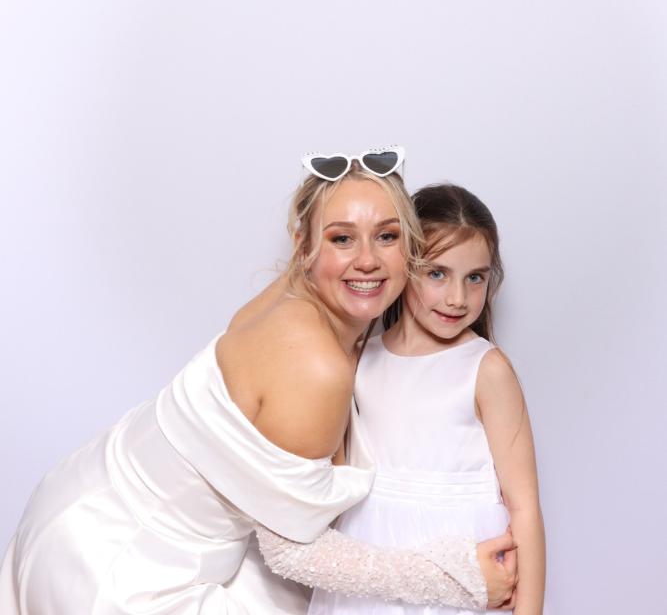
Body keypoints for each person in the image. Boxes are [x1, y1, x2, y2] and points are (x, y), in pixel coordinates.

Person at [0, 153, 517, 615]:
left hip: (84, 499)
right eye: (341, 238)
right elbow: (292, 553)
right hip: (121, 567)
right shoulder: (317, 366)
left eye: (387, 236)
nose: (367, 259)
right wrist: (456, 577)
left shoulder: (289, 292)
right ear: (305, 244)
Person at [310, 182, 545, 615]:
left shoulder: (486, 370)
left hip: (464, 567)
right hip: (372, 564)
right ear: (404, 265)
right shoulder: (358, 359)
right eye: (437, 273)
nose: (458, 298)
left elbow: (524, 506)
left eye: (475, 278)